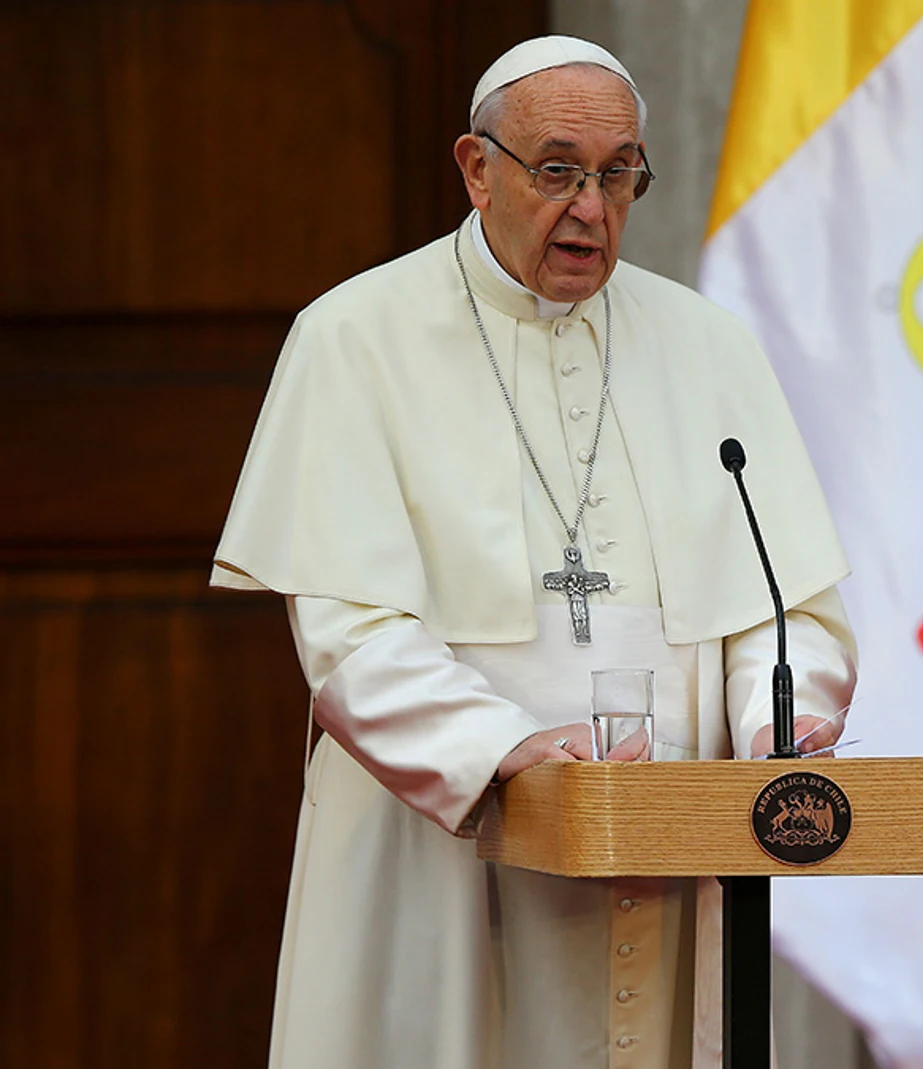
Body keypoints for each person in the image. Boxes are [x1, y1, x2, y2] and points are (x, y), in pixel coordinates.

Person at [212, 35, 856, 1069]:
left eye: (619, 174)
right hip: (443, 854)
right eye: (557, 170)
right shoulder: (354, 336)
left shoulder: (709, 345)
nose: (592, 208)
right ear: (477, 168)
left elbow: (788, 614)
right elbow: (350, 637)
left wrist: (776, 725)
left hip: (670, 839)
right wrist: (507, 747)